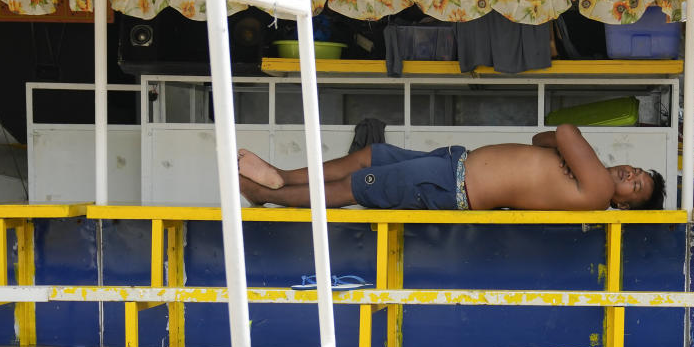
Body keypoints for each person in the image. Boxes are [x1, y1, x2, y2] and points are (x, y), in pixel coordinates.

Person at [237, 123, 666, 211]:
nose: (630, 177)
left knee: (359, 186)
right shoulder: (587, 173)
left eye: (635, 187)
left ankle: (266, 194)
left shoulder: (594, 192)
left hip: (450, 186)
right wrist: (570, 156)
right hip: (453, 163)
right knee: (371, 156)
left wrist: (573, 153)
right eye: (636, 172)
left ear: (623, 206)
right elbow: (542, 139)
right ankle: (282, 175)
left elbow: (566, 131)